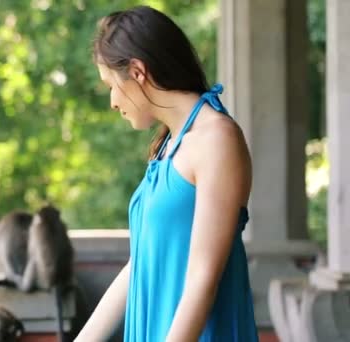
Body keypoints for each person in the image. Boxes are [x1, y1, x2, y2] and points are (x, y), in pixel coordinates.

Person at [74, 5, 258, 342]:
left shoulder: (215, 139)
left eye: (112, 85)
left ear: (138, 72)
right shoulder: (169, 145)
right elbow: (140, 264)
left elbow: (203, 277)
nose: (113, 101)